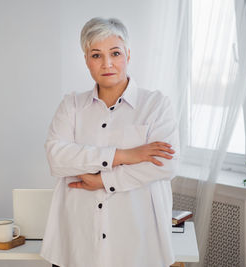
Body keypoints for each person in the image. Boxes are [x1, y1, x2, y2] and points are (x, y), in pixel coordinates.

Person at [40, 17, 179, 267]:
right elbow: (56, 157)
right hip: (77, 245)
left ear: (128, 54)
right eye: (96, 55)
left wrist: (103, 180)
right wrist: (126, 155)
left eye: (115, 53)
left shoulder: (156, 105)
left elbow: (165, 166)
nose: (107, 64)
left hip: (137, 244)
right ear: (86, 60)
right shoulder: (71, 105)